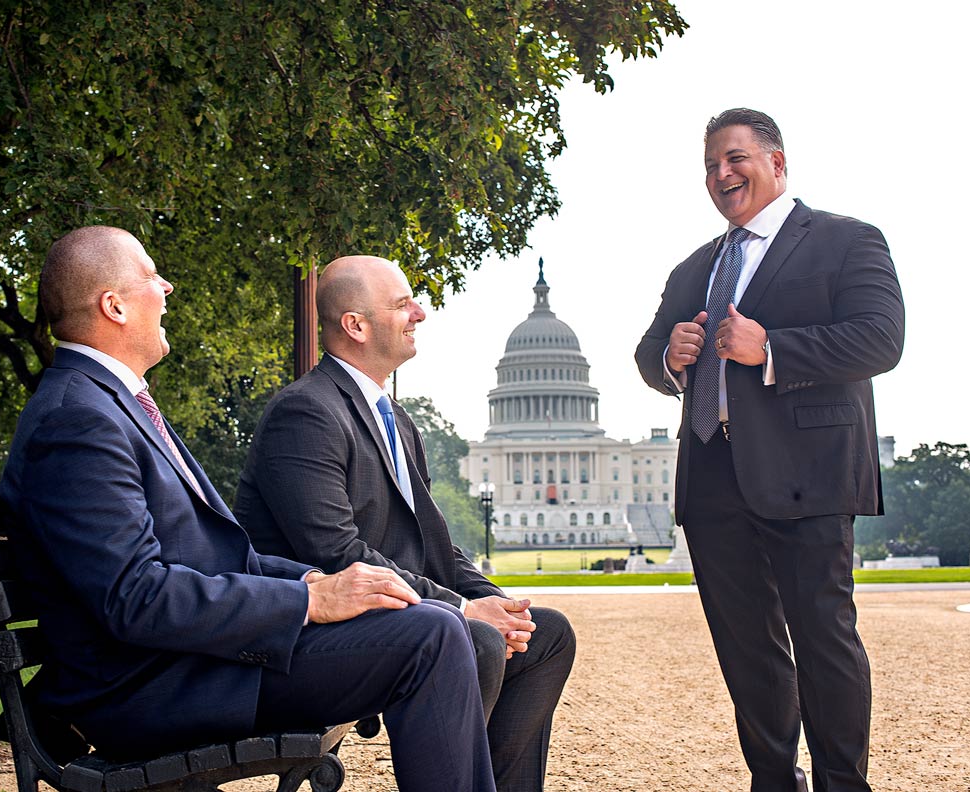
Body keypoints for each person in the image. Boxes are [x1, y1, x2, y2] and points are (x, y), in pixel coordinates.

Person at [0, 226, 495, 792]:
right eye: (152, 277)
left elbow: (217, 555)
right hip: (152, 686)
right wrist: (309, 598)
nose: (168, 289)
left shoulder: (110, 403)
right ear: (113, 306)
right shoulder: (79, 418)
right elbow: (135, 597)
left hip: (190, 661)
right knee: (432, 635)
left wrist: (312, 578)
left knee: (436, 626)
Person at [634, 109, 905, 792]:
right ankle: (773, 781)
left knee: (823, 641)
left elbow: (881, 339)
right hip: (713, 475)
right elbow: (646, 353)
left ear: (777, 163)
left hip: (807, 472)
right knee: (747, 651)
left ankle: (844, 783)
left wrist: (773, 349)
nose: (721, 175)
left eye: (735, 159)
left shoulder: (846, 240)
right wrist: (670, 357)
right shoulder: (695, 266)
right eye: (709, 166)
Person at [235, 255, 576, 792]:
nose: (419, 312)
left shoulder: (394, 418)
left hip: (389, 614)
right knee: (475, 638)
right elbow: (336, 552)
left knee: (546, 635)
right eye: (401, 304)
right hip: (312, 632)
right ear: (356, 325)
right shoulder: (305, 413)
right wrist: (465, 610)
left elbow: (434, 544)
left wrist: (499, 603)